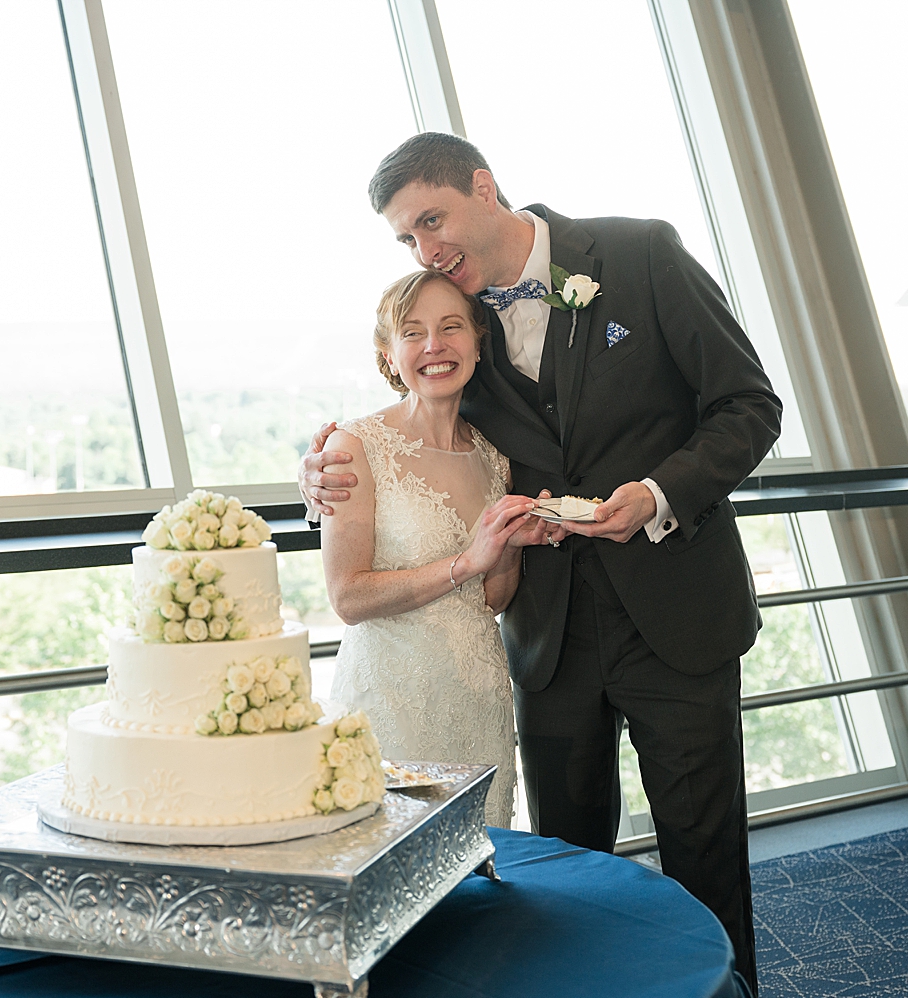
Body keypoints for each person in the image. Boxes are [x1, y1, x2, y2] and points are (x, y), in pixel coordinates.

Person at [300, 132, 781, 995]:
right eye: (407, 240)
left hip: (677, 614)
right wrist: (319, 472)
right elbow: (417, 415)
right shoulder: (460, 314)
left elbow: (748, 405)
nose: (426, 249)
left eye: (431, 221)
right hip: (543, 634)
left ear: (484, 187)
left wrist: (659, 493)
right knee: (567, 872)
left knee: (704, 854)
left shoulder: (639, 252)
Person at [322, 268, 545, 828]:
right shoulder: (355, 446)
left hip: (479, 699)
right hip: (392, 704)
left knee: (478, 865)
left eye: (451, 327)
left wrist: (509, 546)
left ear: (476, 343)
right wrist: (465, 561)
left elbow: (491, 599)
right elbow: (347, 597)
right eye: (413, 332)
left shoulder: (495, 458)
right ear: (389, 354)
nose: (434, 346)